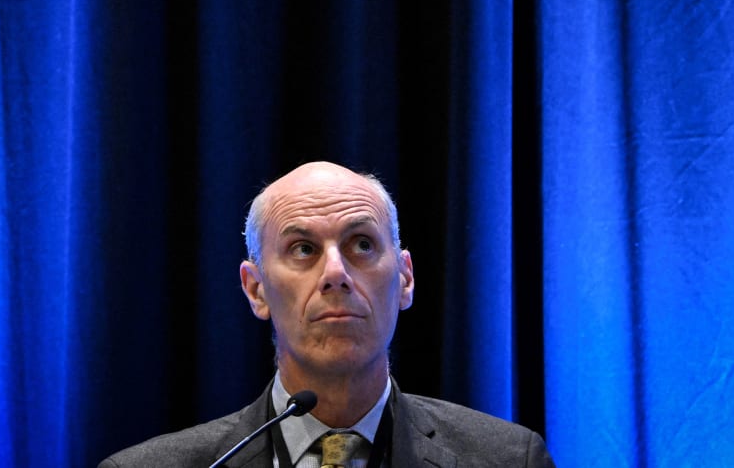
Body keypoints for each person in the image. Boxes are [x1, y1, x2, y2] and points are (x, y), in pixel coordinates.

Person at [100, 161, 555, 467]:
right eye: (303, 249)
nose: (335, 273)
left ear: (405, 279)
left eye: (361, 244)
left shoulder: (511, 458)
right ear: (256, 289)